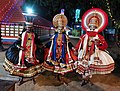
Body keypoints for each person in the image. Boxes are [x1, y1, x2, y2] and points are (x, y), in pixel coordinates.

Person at [75, 8, 114, 83]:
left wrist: (98, 44)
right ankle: (84, 78)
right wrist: (76, 49)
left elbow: (105, 46)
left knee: (90, 66)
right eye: (91, 26)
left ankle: (87, 78)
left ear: (97, 26)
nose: (92, 28)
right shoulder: (84, 36)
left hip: (94, 53)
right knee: (83, 65)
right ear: (88, 25)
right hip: (84, 52)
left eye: (94, 26)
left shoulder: (99, 37)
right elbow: (79, 44)